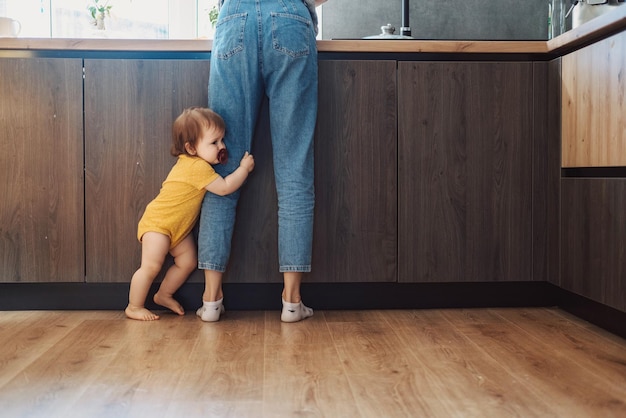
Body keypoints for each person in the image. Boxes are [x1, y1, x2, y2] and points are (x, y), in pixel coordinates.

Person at [196, 0, 328, 323]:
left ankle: (211, 300)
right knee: (295, 168)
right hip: (290, 20)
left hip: (234, 19)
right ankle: (292, 302)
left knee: (222, 164)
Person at [125, 107, 255, 321]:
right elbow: (224, 187)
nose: (222, 147)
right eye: (214, 143)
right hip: (159, 224)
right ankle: (134, 306)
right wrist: (243, 168)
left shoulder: (196, 164)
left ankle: (163, 295)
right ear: (191, 148)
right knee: (151, 266)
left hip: (179, 228)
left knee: (187, 262)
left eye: (222, 140)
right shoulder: (197, 168)